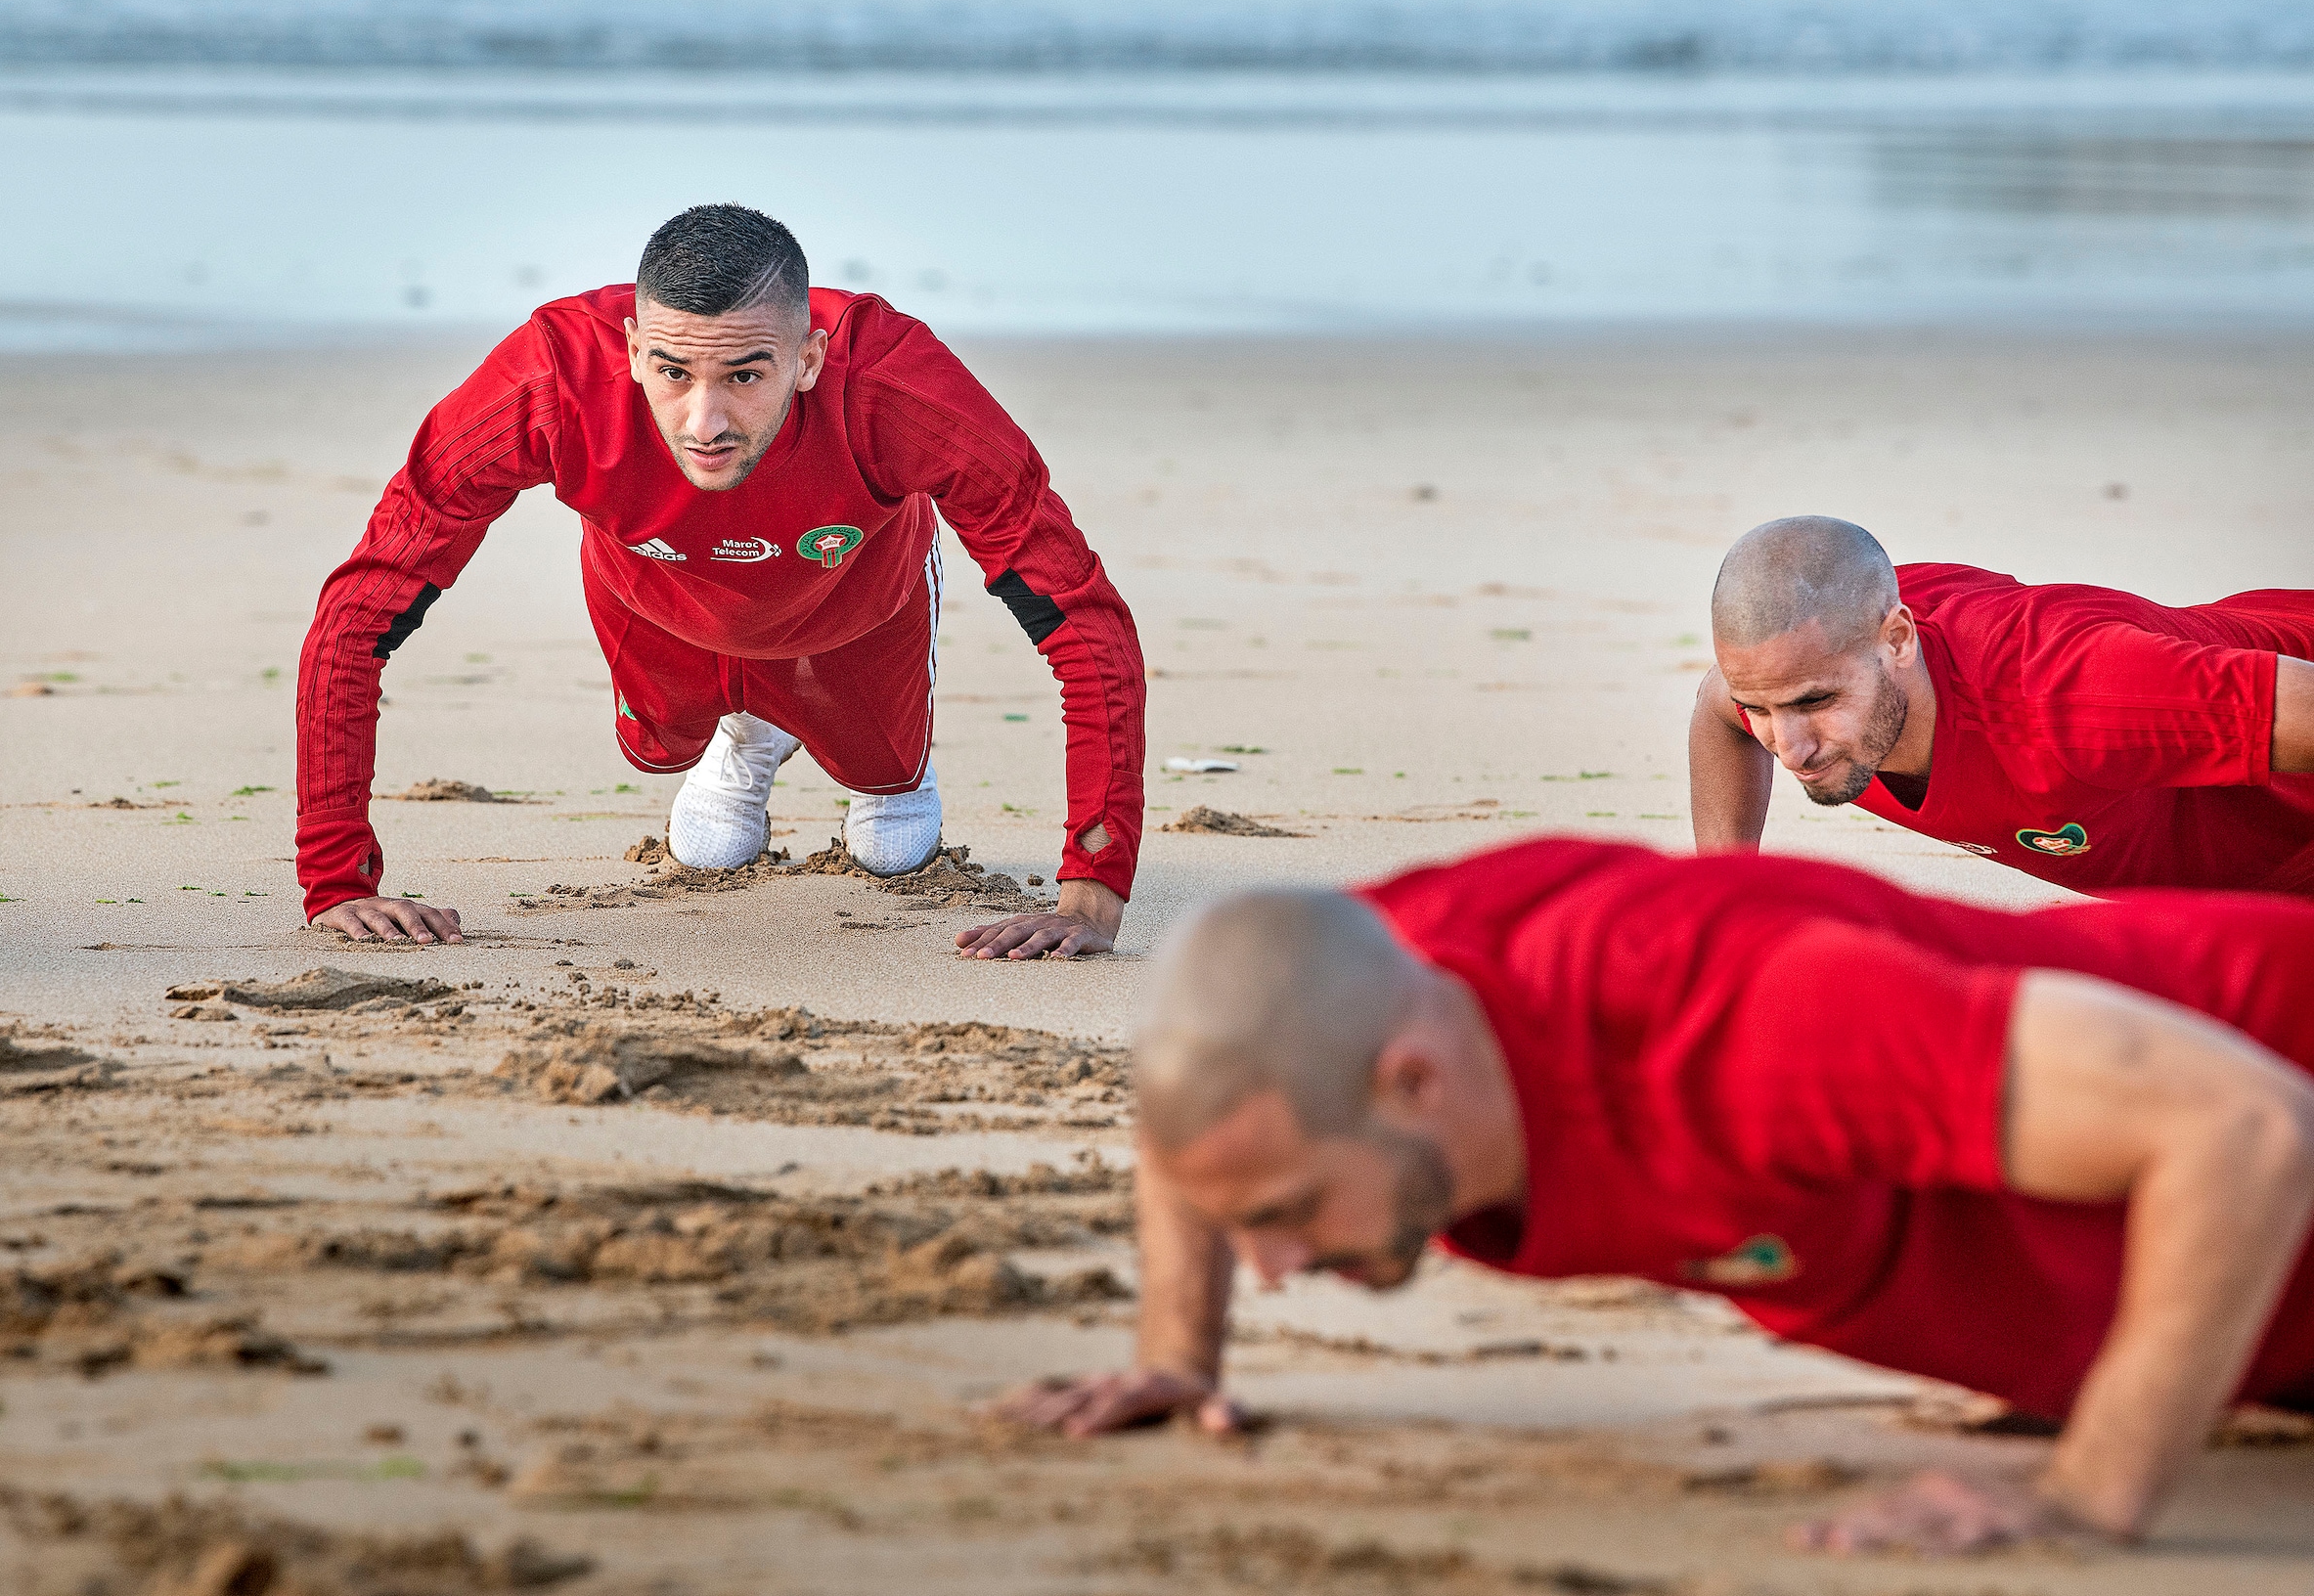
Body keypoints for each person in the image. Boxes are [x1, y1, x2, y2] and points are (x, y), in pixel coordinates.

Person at [1001, 838, 2314, 1555]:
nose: (1274, 1264)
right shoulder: (1357, 990)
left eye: (1289, 1211)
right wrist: (1179, 1350)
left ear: (1415, 1081)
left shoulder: (1747, 1031)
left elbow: (2249, 1130)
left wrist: (2092, 1491)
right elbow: (1214, 1079)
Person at [294, 204, 1144, 959]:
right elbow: (361, 609)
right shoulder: (550, 381)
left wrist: (1092, 892)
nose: (705, 423)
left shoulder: (895, 387)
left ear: (808, 358)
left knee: (894, 834)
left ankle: (885, 764)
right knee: (664, 767)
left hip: (854, 600)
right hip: (657, 597)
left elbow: (1084, 618)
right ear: (631, 348)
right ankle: (749, 729)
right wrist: (336, 880)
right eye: (672, 372)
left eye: (745, 374)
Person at [1686, 516, 2314, 896]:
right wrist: (1726, 894)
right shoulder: (1795, 672)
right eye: (1761, 709)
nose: (1791, 747)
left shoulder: (2064, 692)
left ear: (1898, 640)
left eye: (1815, 703)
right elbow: (1720, 708)